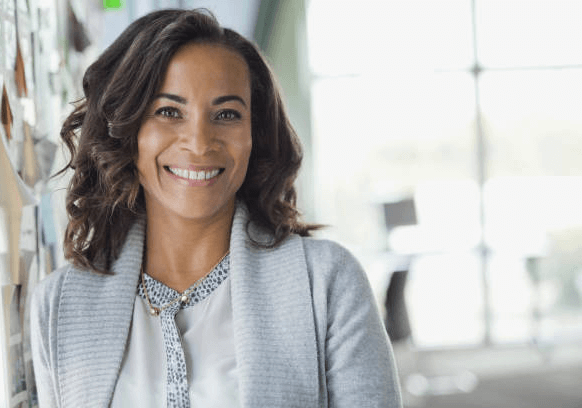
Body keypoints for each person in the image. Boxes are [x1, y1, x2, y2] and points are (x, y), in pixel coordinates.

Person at [30, 8, 402, 408]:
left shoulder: (327, 284)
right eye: (168, 111)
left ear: (254, 135)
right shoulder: (60, 304)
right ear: (126, 129)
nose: (199, 142)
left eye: (226, 114)